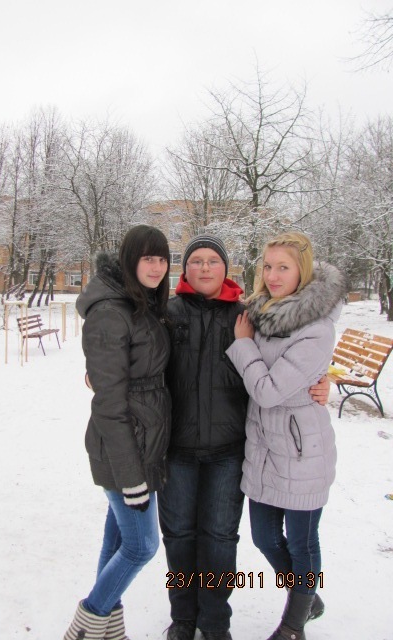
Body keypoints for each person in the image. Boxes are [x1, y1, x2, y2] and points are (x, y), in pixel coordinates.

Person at [158, 235, 330, 640]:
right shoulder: (167, 314)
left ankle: (215, 622)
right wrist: (104, 374)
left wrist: (323, 383)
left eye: (213, 260)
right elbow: (141, 361)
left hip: (229, 451)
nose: (204, 267)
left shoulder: (246, 316)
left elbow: (286, 360)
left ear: (226, 268)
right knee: (179, 537)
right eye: (196, 260)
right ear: (184, 269)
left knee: (220, 539)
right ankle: (183, 617)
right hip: (177, 450)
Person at [226, 231, 346, 640]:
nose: (273, 276)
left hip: (300, 450)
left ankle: (294, 625)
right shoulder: (259, 313)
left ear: (303, 271)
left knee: (302, 543)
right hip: (263, 448)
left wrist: (243, 345)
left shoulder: (316, 328)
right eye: (268, 266)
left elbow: (268, 390)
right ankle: (306, 597)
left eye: (283, 267)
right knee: (263, 537)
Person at [64, 225, 172, 640]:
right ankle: (87, 624)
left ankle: (107, 630)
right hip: (123, 450)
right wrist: (131, 477)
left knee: (117, 542)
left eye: (162, 259)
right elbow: (109, 406)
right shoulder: (111, 313)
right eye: (147, 258)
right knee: (142, 546)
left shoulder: (138, 302)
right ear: (129, 260)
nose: (157, 267)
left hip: (143, 440)